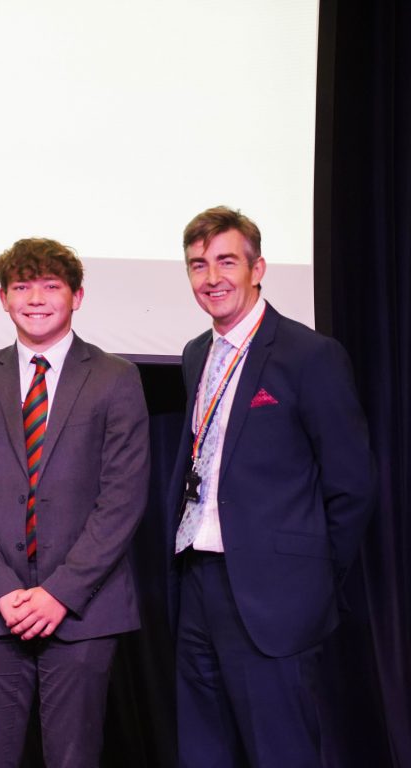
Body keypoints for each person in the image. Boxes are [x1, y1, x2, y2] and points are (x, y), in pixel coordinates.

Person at [167, 206, 375, 768]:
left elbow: (352, 485)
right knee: (202, 749)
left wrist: (312, 578)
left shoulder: (310, 356)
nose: (211, 278)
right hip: (197, 581)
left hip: (273, 596)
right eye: (198, 265)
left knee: (280, 751)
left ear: (258, 268)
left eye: (226, 261)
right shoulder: (195, 355)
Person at [0, 237, 150, 767]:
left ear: (77, 296)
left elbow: (121, 499)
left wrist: (60, 592)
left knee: (74, 759)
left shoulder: (116, 378)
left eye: (51, 285)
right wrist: (3, 590)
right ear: (4, 299)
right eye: (22, 286)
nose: (36, 298)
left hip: (82, 610)